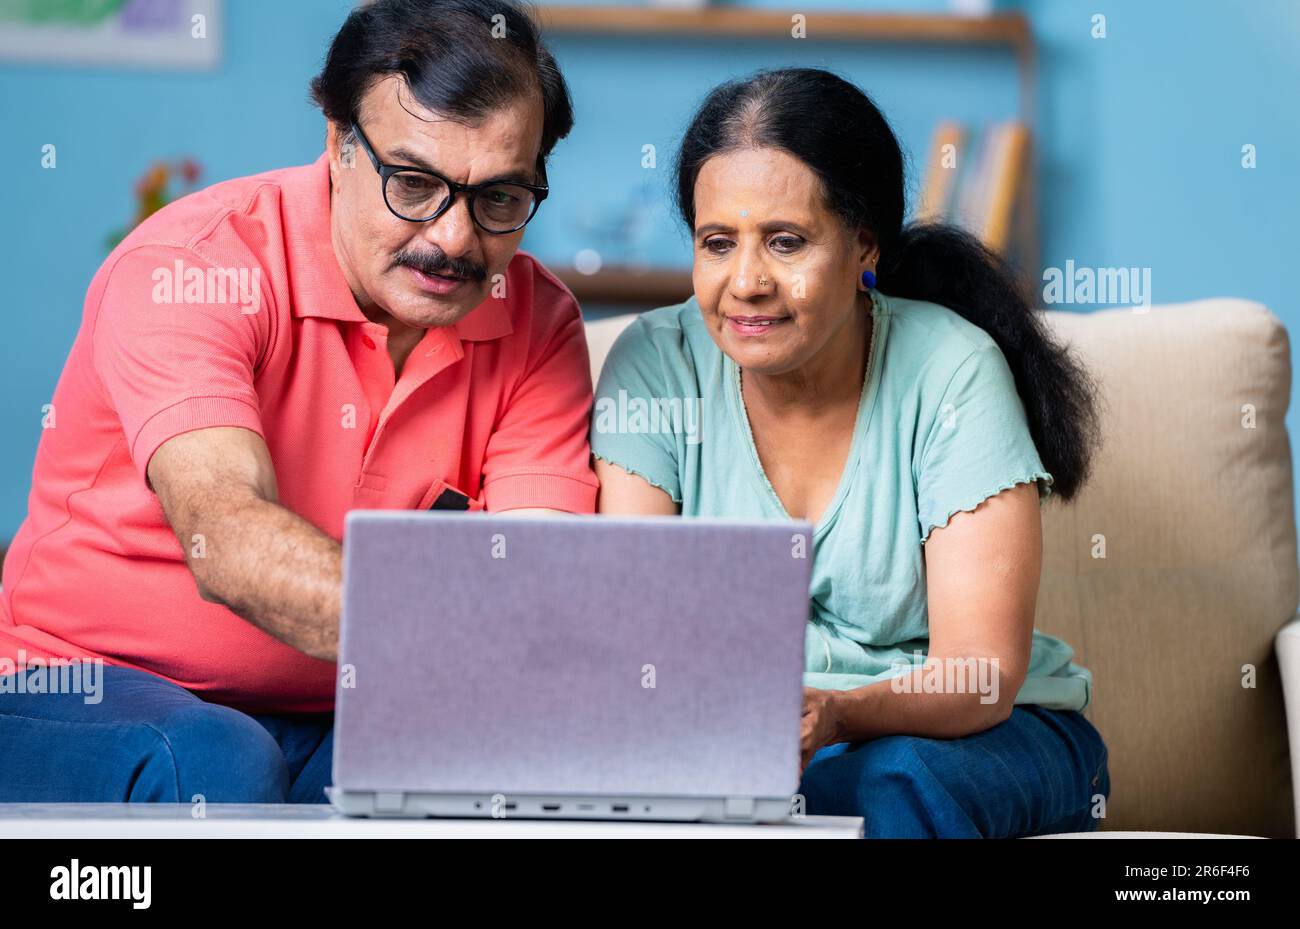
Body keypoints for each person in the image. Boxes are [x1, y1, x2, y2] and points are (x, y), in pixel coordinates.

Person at [0, 0, 596, 803]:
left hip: (328, 712)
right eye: (414, 184)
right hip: (77, 686)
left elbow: (543, 578)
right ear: (339, 145)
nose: (454, 241)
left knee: (465, 769)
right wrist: (487, 631)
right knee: (217, 761)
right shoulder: (195, 267)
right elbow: (229, 541)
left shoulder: (538, 320)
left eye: (498, 198)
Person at [592, 67, 1111, 837]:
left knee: (887, 784)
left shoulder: (952, 370)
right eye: (717, 243)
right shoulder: (654, 365)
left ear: (863, 243)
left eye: (786, 242)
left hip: (974, 735)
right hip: (746, 738)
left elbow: (982, 675)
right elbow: (636, 627)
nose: (746, 282)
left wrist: (835, 711)